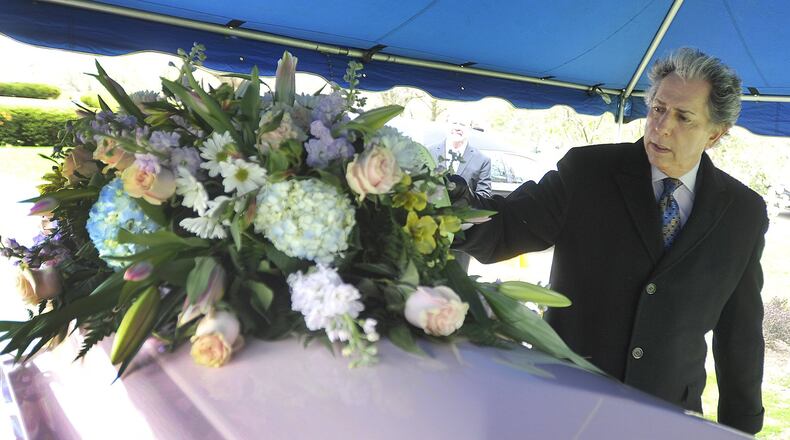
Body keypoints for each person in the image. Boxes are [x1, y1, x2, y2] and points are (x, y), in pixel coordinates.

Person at [454, 48, 767, 435]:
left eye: (683, 117)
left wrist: (742, 427)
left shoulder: (743, 212)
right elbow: (503, 230)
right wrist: (446, 206)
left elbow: (740, 334)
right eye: (657, 108)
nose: (661, 126)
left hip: (666, 417)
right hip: (566, 408)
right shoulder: (587, 172)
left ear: (715, 134)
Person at [429, 118, 492, 271]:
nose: (457, 127)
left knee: (457, 285)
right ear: (446, 126)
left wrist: (465, 210)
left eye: (462, 124)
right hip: (429, 228)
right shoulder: (429, 152)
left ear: (469, 129)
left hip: (461, 235)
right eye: (454, 123)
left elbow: (484, 194)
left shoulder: (482, 160)